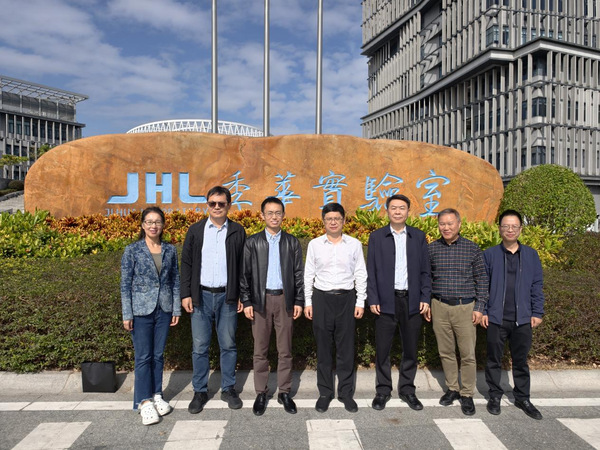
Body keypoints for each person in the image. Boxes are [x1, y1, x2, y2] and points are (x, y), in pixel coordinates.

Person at [180, 186, 246, 414]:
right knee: (200, 346)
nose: (217, 207)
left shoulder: (237, 231)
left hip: (228, 297)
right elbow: (187, 263)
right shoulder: (196, 230)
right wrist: (186, 294)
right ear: (207, 205)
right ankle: (200, 391)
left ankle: (228, 389)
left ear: (229, 205)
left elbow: (243, 266)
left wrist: (241, 294)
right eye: (212, 203)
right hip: (201, 296)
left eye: (221, 203)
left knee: (228, 344)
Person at [240, 197, 304, 416]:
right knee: (260, 351)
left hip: (285, 300)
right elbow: (245, 275)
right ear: (262, 216)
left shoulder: (292, 242)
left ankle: (284, 392)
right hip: (261, 301)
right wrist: (247, 301)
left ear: (283, 215)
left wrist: (298, 300)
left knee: (285, 350)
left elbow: (298, 274)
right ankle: (261, 392)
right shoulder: (252, 242)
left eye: (278, 213)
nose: (274, 217)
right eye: (270, 213)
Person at [367, 194, 432, 411]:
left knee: (410, 349)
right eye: (393, 208)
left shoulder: (418, 236)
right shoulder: (377, 237)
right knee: (383, 349)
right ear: (387, 211)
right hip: (385, 301)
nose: (397, 211)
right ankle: (383, 390)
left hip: (412, 301)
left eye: (402, 208)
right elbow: (371, 271)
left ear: (408, 211)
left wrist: (425, 297)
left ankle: (407, 390)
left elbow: (425, 271)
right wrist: (373, 298)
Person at [304, 202, 367, 413]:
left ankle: (346, 393)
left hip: (346, 299)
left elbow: (360, 273)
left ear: (343, 221)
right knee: (323, 349)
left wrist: (360, 301)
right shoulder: (314, 244)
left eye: (337, 219)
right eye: (329, 219)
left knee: (346, 349)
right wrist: (308, 302)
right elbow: (308, 274)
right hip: (321, 299)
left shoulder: (354, 244)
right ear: (323, 222)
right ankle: (325, 393)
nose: (333, 222)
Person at [482, 209, 545, 420]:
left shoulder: (531, 255)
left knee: (520, 360)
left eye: (514, 226)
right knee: (493, 359)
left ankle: (522, 397)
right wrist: (483, 311)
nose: (510, 230)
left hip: (523, 318)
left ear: (520, 229)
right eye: (506, 226)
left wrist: (537, 311)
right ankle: (494, 395)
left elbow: (537, 285)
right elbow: (483, 286)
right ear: (499, 229)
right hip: (496, 317)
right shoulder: (489, 255)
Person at [121, 206, 181, 426]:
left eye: (157, 222)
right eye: (149, 221)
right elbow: (125, 284)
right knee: (143, 356)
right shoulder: (132, 250)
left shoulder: (170, 250)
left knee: (158, 355)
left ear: (163, 225)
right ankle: (144, 401)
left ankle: (157, 394)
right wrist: (127, 313)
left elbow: (175, 281)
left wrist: (176, 309)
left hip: (163, 309)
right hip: (140, 310)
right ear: (142, 225)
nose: (153, 226)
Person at [428, 208, 488, 415]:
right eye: (442, 224)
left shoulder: (472, 249)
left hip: (465, 307)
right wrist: (427, 303)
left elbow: (482, 280)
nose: (446, 227)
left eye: (450, 223)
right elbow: (427, 278)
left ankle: (467, 394)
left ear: (459, 224)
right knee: (446, 352)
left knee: (467, 354)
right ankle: (452, 388)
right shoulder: (432, 249)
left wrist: (480, 307)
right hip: (439, 306)